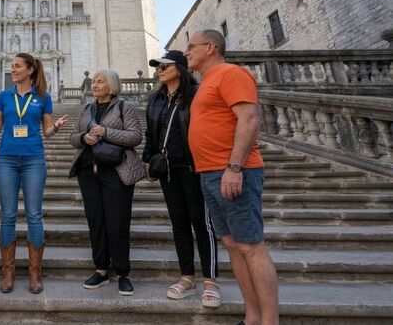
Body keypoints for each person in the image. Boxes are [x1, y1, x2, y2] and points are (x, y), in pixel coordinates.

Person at [185, 30, 279, 325]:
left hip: (233, 171)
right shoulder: (205, 83)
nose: (186, 52)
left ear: (210, 47)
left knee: (251, 246)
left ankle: (269, 321)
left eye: (191, 46)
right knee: (233, 245)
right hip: (210, 172)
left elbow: (249, 119)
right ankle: (251, 316)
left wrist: (235, 167)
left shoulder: (231, 74)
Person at [0, 53, 68, 294]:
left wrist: (55, 127)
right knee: (7, 215)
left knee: (34, 214)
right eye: (11, 66)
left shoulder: (42, 97)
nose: (12, 69)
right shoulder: (4, 96)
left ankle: (35, 272)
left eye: (16, 66)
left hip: (34, 159)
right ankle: (9, 270)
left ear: (30, 70)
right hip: (6, 159)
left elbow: (46, 131)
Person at [142, 50, 219, 307]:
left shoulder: (198, 94)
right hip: (168, 170)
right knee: (179, 223)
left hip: (194, 167)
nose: (159, 70)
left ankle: (210, 280)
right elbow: (151, 135)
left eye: (165, 66)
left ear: (181, 68)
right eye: (158, 67)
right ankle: (187, 277)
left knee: (202, 223)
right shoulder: (156, 100)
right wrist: (148, 161)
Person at [68, 69, 144, 296]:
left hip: (116, 171)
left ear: (111, 85)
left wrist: (105, 131)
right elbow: (73, 136)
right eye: (93, 82)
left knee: (117, 222)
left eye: (100, 82)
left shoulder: (124, 107)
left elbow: (135, 136)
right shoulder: (87, 108)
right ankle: (101, 269)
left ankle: (122, 273)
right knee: (96, 221)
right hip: (88, 172)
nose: (95, 85)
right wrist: (84, 137)